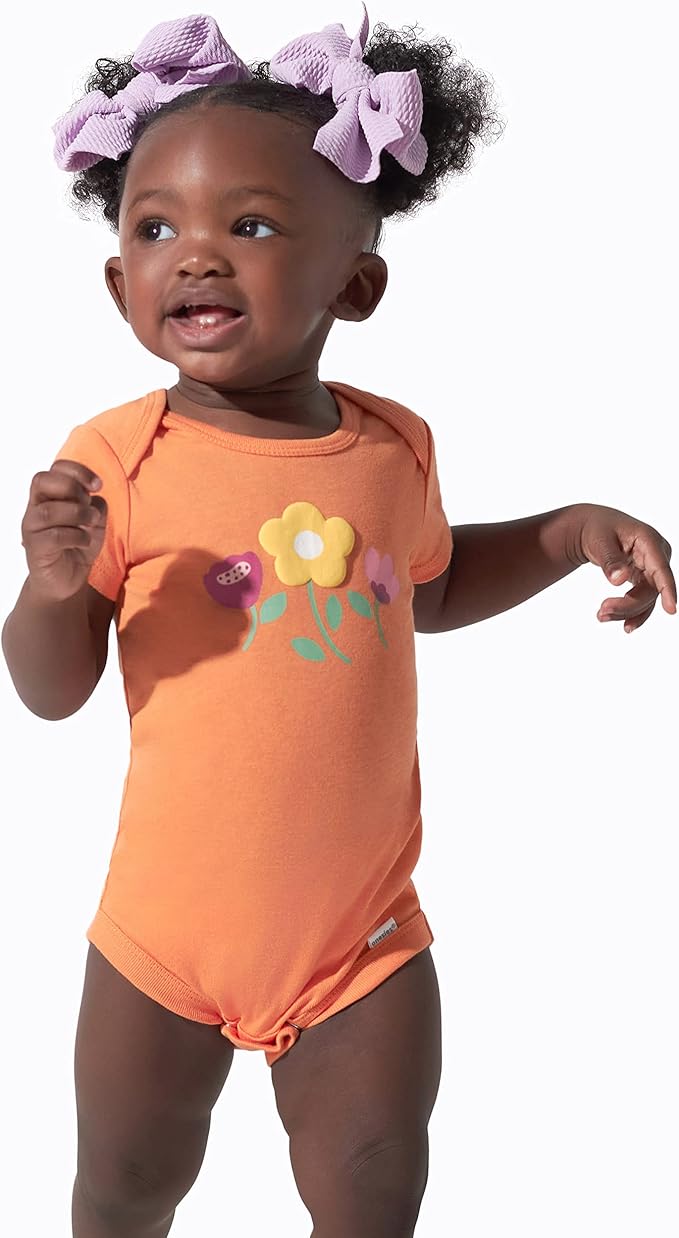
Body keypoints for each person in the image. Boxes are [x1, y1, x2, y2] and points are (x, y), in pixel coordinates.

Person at [2, 8, 675, 1237]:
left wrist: (564, 530)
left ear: (353, 284)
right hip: (162, 934)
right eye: (155, 229)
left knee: (374, 1189)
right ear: (116, 281)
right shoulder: (115, 459)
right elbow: (51, 692)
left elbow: (426, 589)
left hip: (359, 939)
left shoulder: (390, 446)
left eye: (250, 226)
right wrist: (52, 589)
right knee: (123, 1188)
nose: (195, 258)